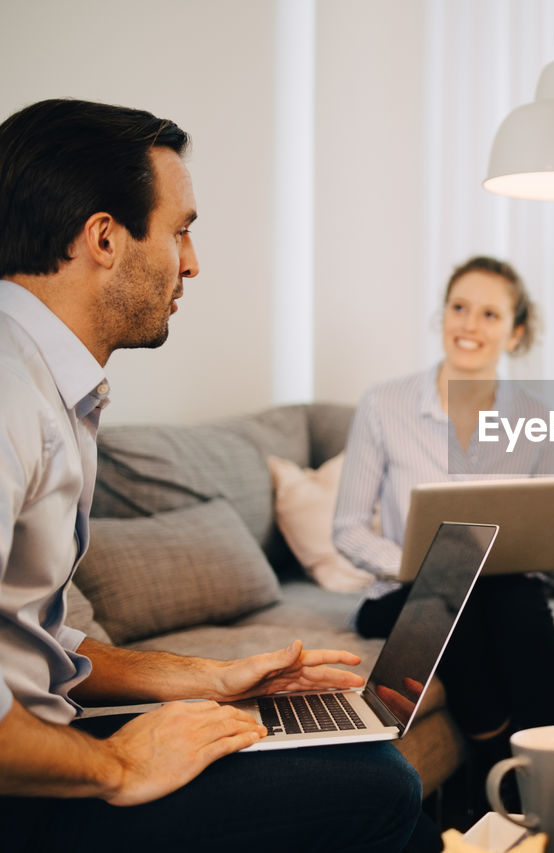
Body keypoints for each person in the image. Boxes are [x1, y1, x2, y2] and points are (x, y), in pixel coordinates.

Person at [0, 98, 438, 853]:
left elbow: (37, 644)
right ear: (104, 237)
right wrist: (115, 764)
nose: (192, 261)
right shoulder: (10, 389)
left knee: (356, 755)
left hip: (43, 744)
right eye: (181, 229)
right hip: (23, 795)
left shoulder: (54, 387)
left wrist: (201, 676)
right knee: (379, 784)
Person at [333, 255, 554, 820]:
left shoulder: (537, 417)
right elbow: (346, 528)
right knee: (453, 594)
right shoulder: (384, 405)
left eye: (490, 314)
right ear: (442, 315)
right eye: (459, 307)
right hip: (403, 593)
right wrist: (421, 565)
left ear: (514, 333)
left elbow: (553, 530)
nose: (469, 324)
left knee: (510, 596)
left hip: (497, 592)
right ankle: (518, 777)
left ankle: (548, 782)